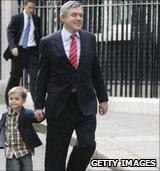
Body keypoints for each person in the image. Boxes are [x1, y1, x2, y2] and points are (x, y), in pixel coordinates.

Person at [35, 1, 109, 170]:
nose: (78, 18)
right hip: (60, 104)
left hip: (85, 102)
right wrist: (39, 105)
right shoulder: (48, 42)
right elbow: (42, 76)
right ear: (63, 17)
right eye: (74, 15)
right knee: (56, 152)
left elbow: (95, 70)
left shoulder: (89, 38)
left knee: (87, 145)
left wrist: (103, 98)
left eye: (81, 15)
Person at [0, 86, 44, 171]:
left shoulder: (27, 113)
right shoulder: (5, 115)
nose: (13, 101)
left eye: (17, 99)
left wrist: (41, 116)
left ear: (23, 101)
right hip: (11, 151)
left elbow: (36, 119)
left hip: (25, 150)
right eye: (11, 99)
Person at [3, 0, 41, 106]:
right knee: (15, 78)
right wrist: (13, 47)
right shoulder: (17, 18)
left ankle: (37, 105)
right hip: (19, 52)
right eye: (30, 8)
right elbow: (10, 32)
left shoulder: (37, 19)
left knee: (35, 77)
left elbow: (39, 35)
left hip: (32, 52)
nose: (32, 10)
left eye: (34, 8)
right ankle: (9, 104)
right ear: (24, 6)